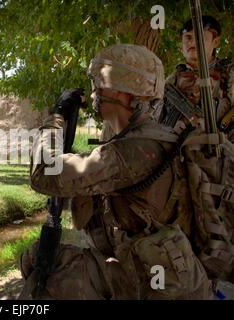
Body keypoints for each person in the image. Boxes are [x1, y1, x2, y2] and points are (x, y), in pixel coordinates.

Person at [19, 44, 214, 300]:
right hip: (156, 270)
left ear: (120, 90)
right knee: (43, 256)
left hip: (154, 285)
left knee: (47, 266)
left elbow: (45, 174)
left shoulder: (135, 150)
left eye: (97, 84)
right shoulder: (152, 138)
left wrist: (55, 119)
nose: (92, 93)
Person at [157, 16, 233, 139]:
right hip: (175, 151)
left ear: (216, 42)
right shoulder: (170, 82)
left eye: (200, 37)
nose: (192, 42)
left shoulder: (228, 74)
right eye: (188, 37)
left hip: (217, 150)